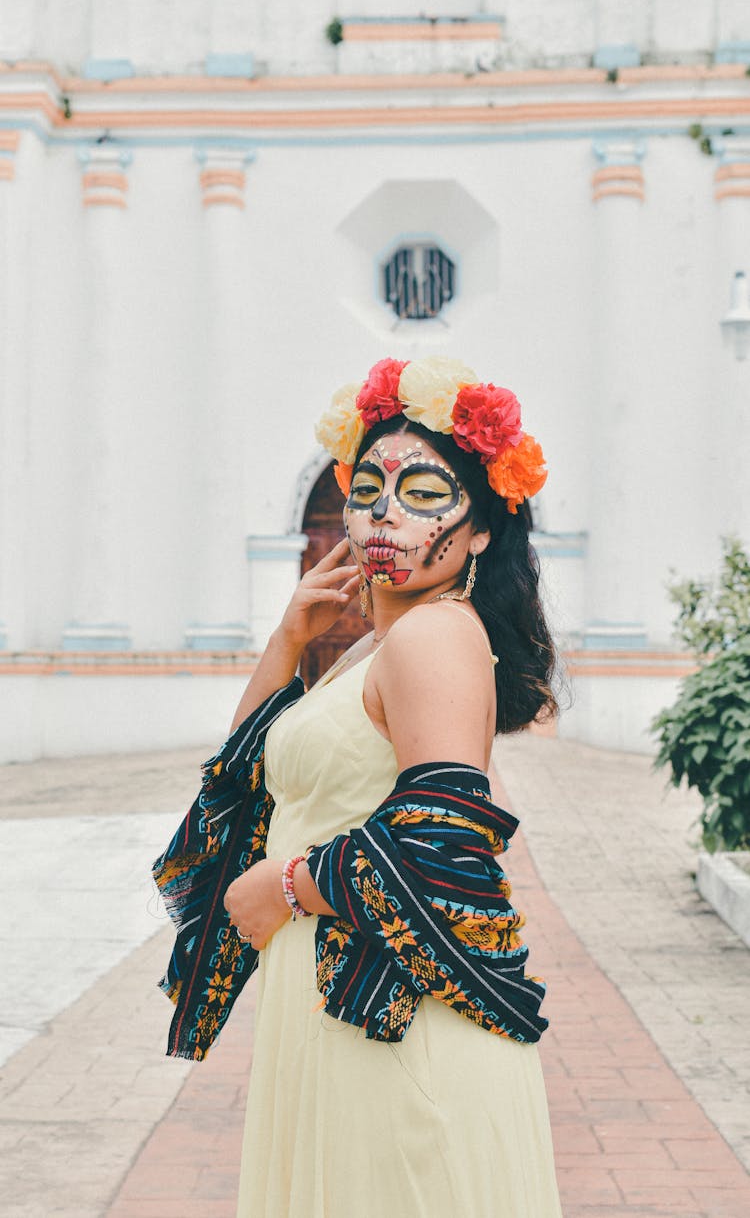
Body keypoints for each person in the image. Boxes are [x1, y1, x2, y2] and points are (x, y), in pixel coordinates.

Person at [154, 356, 562, 1217]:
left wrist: (287, 883)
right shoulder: (372, 649)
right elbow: (244, 789)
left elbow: (448, 840)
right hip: (341, 1009)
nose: (386, 511)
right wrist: (285, 637)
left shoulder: (435, 637)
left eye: (424, 491)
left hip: (396, 1024)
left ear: (481, 529)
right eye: (369, 486)